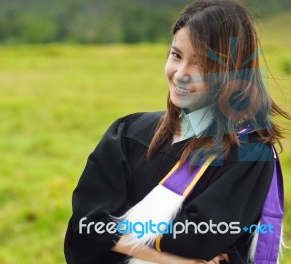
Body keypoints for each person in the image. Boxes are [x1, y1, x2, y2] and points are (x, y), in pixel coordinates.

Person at [64, 0, 289, 263]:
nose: (181, 74)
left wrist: (115, 235)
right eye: (176, 55)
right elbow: (85, 226)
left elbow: (195, 239)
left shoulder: (249, 153)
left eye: (201, 64)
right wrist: (171, 259)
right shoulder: (129, 133)